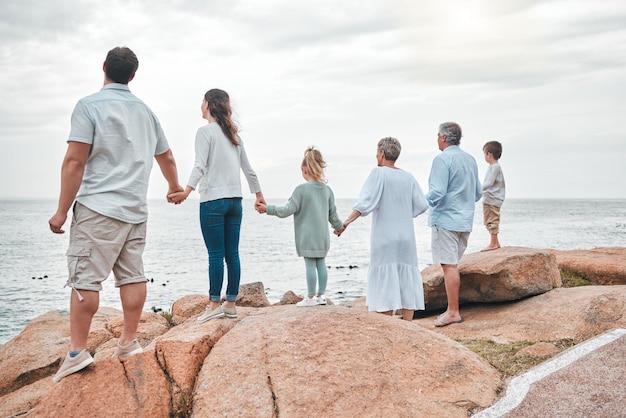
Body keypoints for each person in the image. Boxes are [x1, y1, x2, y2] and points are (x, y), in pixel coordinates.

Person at [48, 47, 183, 382]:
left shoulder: (89, 106)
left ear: (104, 67)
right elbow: (166, 156)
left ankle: (77, 352)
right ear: (133, 75)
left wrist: (62, 211)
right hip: (135, 210)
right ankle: (128, 341)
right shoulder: (147, 112)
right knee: (132, 275)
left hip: (98, 208)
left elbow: (75, 161)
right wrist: (173, 186)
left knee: (85, 279)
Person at [168, 89, 265, 323]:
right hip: (235, 201)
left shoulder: (205, 132)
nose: (200, 106)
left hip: (213, 201)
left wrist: (185, 192)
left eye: (202, 101)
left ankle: (213, 305)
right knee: (232, 254)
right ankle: (230, 304)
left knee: (215, 254)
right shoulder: (234, 135)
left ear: (209, 104)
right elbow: (249, 170)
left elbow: (199, 166)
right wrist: (259, 196)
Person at [335, 137, 428, 320]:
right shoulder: (408, 177)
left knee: (386, 281)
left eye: (377, 152)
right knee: (407, 278)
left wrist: (345, 222)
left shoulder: (379, 173)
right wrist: (404, 213)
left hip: (385, 238)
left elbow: (364, 203)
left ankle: (388, 325)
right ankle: (407, 325)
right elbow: (422, 205)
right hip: (406, 238)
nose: (376, 156)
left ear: (382, 154)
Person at [257, 147, 343, 307]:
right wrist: (339, 227)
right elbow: (333, 215)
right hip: (323, 237)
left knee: (310, 264)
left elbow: (286, 211)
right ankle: (321, 296)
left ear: (304, 170)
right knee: (321, 264)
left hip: (306, 237)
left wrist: (267, 209)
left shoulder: (300, 190)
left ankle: (310, 298)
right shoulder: (327, 190)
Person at [426, 122, 482, 327]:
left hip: (446, 219)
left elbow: (437, 192)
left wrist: (417, 204)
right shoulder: (470, 159)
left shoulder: (442, 159)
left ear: (442, 137)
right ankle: (452, 309)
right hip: (464, 220)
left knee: (449, 266)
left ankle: (453, 312)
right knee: (453, 265)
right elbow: (477, 193)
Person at [481, 141, 505, 251]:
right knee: (489, 219)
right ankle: (496, 242)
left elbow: (489, 183)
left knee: (491, 220)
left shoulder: (494, 167)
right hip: (492, 198)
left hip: (492, 198)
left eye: (484, 154)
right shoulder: (494, 167)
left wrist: (477, 189)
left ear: (489, 155)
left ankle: (493, 243)